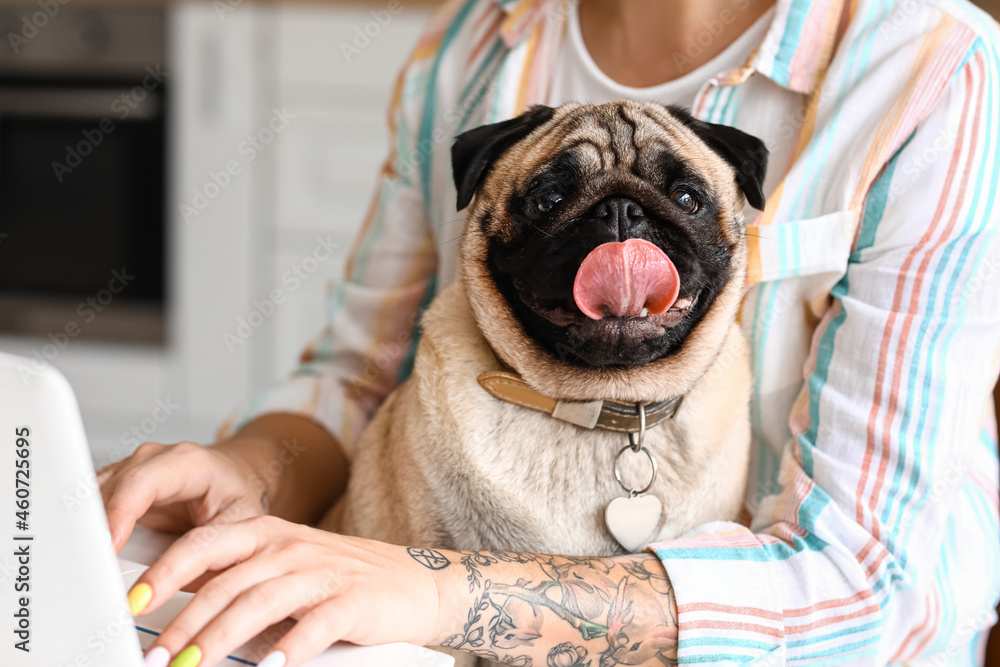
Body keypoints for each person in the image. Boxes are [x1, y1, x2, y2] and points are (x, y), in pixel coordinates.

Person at [97, 0, 1000, 665]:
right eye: (551, 197)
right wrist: (249, 470)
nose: (622, 234)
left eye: (680, 202)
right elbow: (361, 374)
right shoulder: (472, 48)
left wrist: (436, 591)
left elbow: (865, 585)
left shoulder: (931, 67)